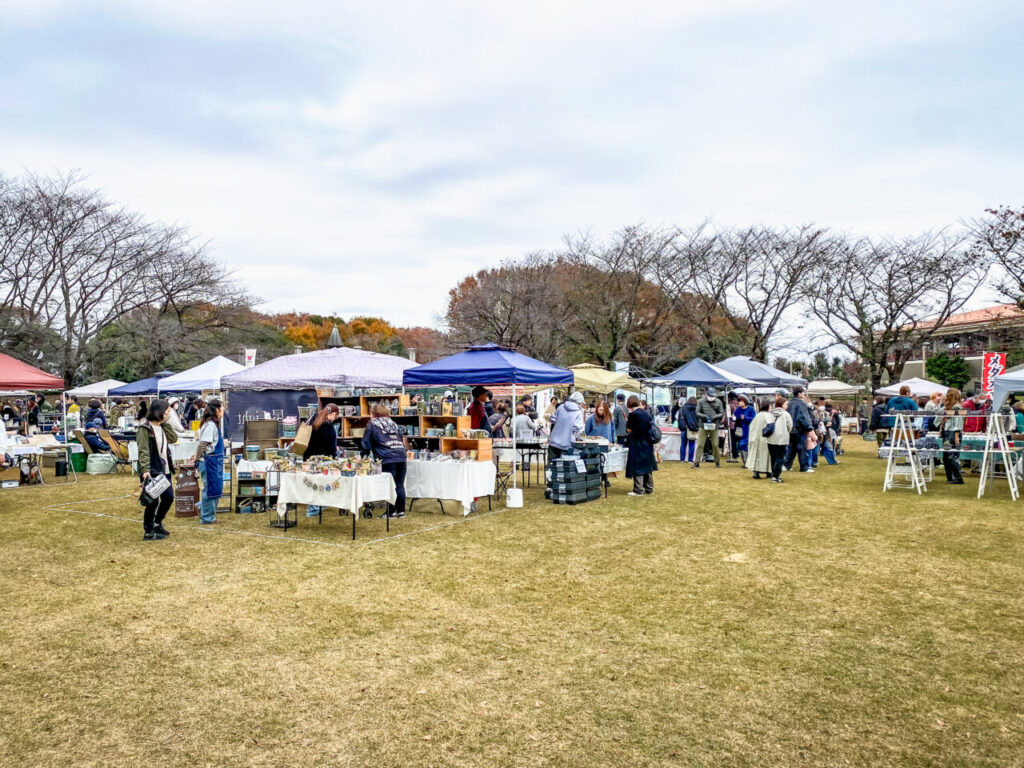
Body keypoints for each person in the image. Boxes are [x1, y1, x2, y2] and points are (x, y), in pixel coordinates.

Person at [137, 399, 179, 540]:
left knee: (168, 497)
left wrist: (165, 423)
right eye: (166, 412)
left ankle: (157, 522)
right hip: (152, 468)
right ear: (159, 412)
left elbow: (173, 439)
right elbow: (143, 450)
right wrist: (145, 470)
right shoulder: (144, 428)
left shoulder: (162, 426)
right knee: (152, 500)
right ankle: (148, 530)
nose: (168, 415)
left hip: (164, 468)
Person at [362, 403, 409, 518]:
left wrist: (364, 454)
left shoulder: (373, 423)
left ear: (373, 413)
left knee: (389, 485)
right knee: (399, 484)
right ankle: (401, 511)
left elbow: (366, 441)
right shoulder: (393, 423)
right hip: (401, 456)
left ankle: (390, 512)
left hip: (386, 457)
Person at [304, 403, 341, 517]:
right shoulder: (328, 427)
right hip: (324, 459)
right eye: (336, 416)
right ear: (333, 413)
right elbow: (331, 447)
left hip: (309, 458)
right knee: (322, 484)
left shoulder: (313, 421)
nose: (335, 418)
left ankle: (315, 507)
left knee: (313, 483)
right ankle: (314, 509)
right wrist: (335, 455)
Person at [193, 398, 225, 525]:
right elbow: (203, 444)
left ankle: (202, 506)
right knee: (210, 489)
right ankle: (207, 517)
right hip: (209, 461)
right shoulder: (210, 425)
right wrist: (197, 459)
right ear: (217, 410)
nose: (223, 411)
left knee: (215, 489)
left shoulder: (213, 424)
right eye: (222, 409)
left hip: (214, 461)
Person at [625, 395, 657, 496]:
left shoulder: (633, 414)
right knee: (647, 466)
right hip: (648, 443)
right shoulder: (646, 413)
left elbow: (629, 428)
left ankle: (638, 489)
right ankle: (649, 488)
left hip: (637, 443)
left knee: (637, 466)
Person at [933, 388, 965, 484]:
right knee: (946, 456)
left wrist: (956, 437)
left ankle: (958, 478)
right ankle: (950, 477)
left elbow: (958, 423)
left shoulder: (957, 407)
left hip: (953, 434)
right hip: (947, 434)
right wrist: (937, 402)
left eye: (947, 394)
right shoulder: (947, 407)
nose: (946, 396)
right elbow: (937, 414)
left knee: (951, 456)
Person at [784, 386, 814, 473]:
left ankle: (786, 465)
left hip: (790, 429)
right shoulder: (801, 404)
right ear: (799, 393)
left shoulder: (789, 403)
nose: (804, 394)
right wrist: (809, 427)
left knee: (791, 448)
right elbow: (804, 417)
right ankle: (804, 467)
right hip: (799, 429)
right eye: (803, 392)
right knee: (801, 448)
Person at [693, 388, 725, 469]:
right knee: (700, 444)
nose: (712, 397)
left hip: (714, 425)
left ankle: (717, 462)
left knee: (715, 444)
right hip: (703, 425)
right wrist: (705, 416)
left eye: (713, 396)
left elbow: (721, 413)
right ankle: (696, 462)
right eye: (710, 395)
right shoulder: (700, 401)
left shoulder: (718, 401)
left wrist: (714, 417)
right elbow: (697, 412)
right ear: (707, 394)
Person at [548, 392, 585, 460]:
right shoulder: (578, 412)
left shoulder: (561, 407)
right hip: (567, 444)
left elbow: (552, 419)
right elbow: (576, 428)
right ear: (580, 402)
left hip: (553, 442)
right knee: (565, 468)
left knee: (551, 467)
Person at [766, 395, 793, 482]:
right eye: (786, 404)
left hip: (771, 438)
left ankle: (774, 474)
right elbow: (790, 426)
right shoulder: (786, 414)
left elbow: (767, 424)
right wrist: (785, 431)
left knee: (773, 457)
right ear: (781, 404)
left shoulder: (770, 413)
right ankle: (776, 476)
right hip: (782, 439)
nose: (787, 406)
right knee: (780, 457)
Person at [745, 398, 772, 479]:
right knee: (767, 456)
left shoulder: (757, 415)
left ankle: (756, 472)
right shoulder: (768, 416)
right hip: (765, 438)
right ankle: (768, 471)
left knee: (757, 456)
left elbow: (752, 426)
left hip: (755, 438)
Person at [733, 395, 756, 464]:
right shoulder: (738, 409)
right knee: (740, 445)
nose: (739, 403)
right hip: (739, 430)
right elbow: (733, 417)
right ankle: (745, 461)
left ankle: (747, 462)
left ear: (745, 401)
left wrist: (745, 418)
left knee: (745, 445)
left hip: (749, 430)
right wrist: (737, 418)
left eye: (741, 401)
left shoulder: (751, 409)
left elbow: (754, 418)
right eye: (739, 401)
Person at [678, 396, 699, 463]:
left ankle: (682, 459)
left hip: (684, 428)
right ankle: (690, 460)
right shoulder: (697, 408)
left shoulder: (683, 408)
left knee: (683, 444)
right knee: (692, 444)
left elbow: (679, 418)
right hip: (692, 428)